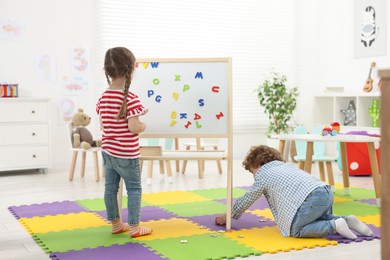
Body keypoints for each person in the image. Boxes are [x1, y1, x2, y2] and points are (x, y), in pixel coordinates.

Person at [215, 145, 373, 239]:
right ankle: (347, 220)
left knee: (295, 229)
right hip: (324, 191)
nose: (254, 176)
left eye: (252, 171)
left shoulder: (263, 175)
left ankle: (334, 225)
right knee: (317, 217)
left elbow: (247, 199)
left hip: (310, 198)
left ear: (258, 164)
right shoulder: (286, 166)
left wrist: (229, 215)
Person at [96, 47, 152, 238]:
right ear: (131, 70)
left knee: (110, 189)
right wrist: (143, 125)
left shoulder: (103, 97)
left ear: (107, 71)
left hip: (109, 152)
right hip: (127, 155)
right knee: (134, 189)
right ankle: (135, 227)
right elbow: (134, 127)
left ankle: (116, 224)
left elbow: (103, 124)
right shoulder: (130, 98)